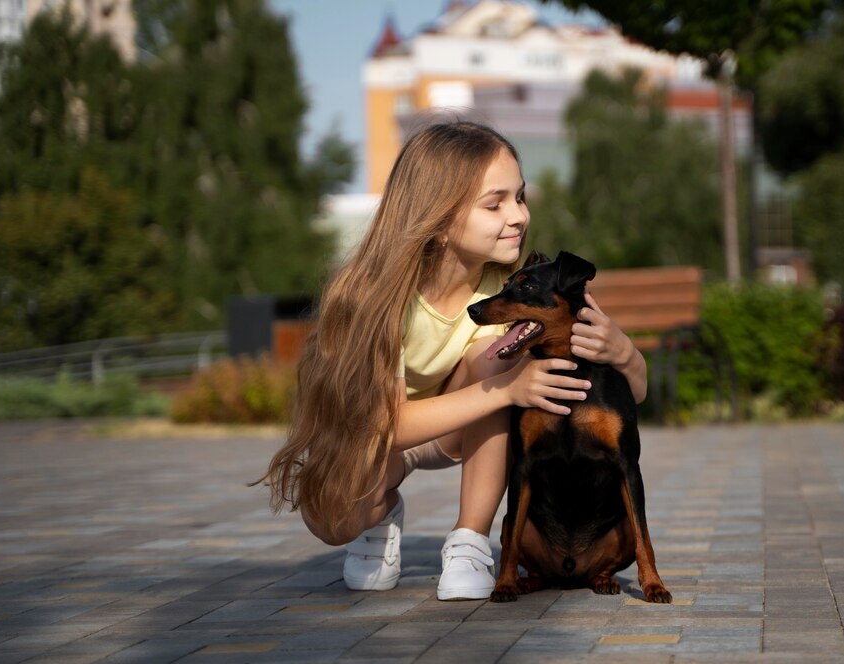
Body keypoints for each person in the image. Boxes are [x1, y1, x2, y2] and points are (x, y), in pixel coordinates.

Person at [261, 121, 648, 600]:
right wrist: (508, 391)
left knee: (492, 357)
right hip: (376, 433)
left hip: (455, 430)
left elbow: (632, 394)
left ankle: (469, 540)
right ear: (440, 222)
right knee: (334, 519)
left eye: (520, 197)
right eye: (495, 203)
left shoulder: (512, 289)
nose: (519, 216)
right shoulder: (372, 298)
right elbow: (390, 426)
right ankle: (379, 516)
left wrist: (625, 353)